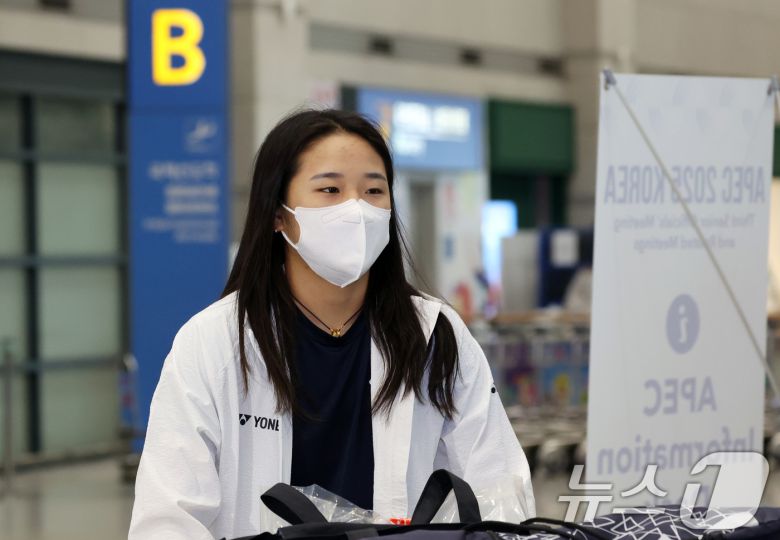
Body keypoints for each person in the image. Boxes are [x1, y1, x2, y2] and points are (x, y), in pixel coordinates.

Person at [128, 109, 535, 539]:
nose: (356, 209)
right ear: (278, 214)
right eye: (330, 189)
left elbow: (498, 482)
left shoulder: (434, 333)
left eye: (373, 190)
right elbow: (168, 515)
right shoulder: (215, 342)